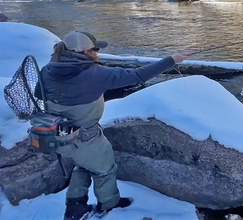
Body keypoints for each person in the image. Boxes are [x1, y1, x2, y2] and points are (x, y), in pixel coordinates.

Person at [38, 30, 187, 220]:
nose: (98, 52)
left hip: (57, 134)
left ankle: (75, 209)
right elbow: (138, 76)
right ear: (85, 52)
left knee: (82, 165)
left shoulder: (49, 69)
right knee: (105, 169)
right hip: (86, 137)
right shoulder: (95, 73)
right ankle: (109, 204)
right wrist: (172, 59)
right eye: (95, 49)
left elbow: (41, 93)